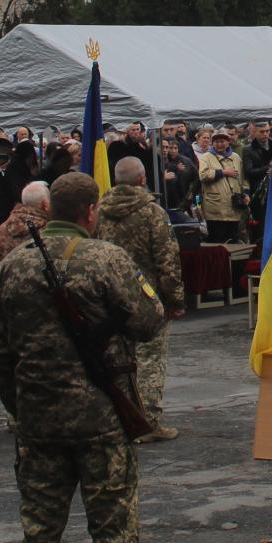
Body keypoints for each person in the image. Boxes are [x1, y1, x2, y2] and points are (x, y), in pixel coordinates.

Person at [0, 171, 170, 543]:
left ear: (49, 211)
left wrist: (19, 406)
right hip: (102, 418)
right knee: (113, 532)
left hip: (39, 420)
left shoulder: (12, 267)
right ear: (91, 212)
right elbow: (150, 319)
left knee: (40, 533)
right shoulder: (106, 258)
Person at [91, 156, 186, 443]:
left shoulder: (99, 212)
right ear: (143, 179)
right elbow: (168, 260)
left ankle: (118, 416)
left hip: (106, 296)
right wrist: (175, 300)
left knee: (115, 359)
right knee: (150, 361)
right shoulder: (152, 213)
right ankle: (147, 422)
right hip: (146, 297)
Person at [198, 130, 247, 244]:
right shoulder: (206, 157)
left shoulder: (236, 158)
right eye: (217, 142)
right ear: (212, 143)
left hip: (234, 208)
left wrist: (246, 193)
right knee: (217, 241)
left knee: (233, 240)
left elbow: (243, 179)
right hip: (215, 210)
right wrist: (223, 172)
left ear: (228, 142)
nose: (220, 144)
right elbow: (203, 175)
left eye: (222, 141)